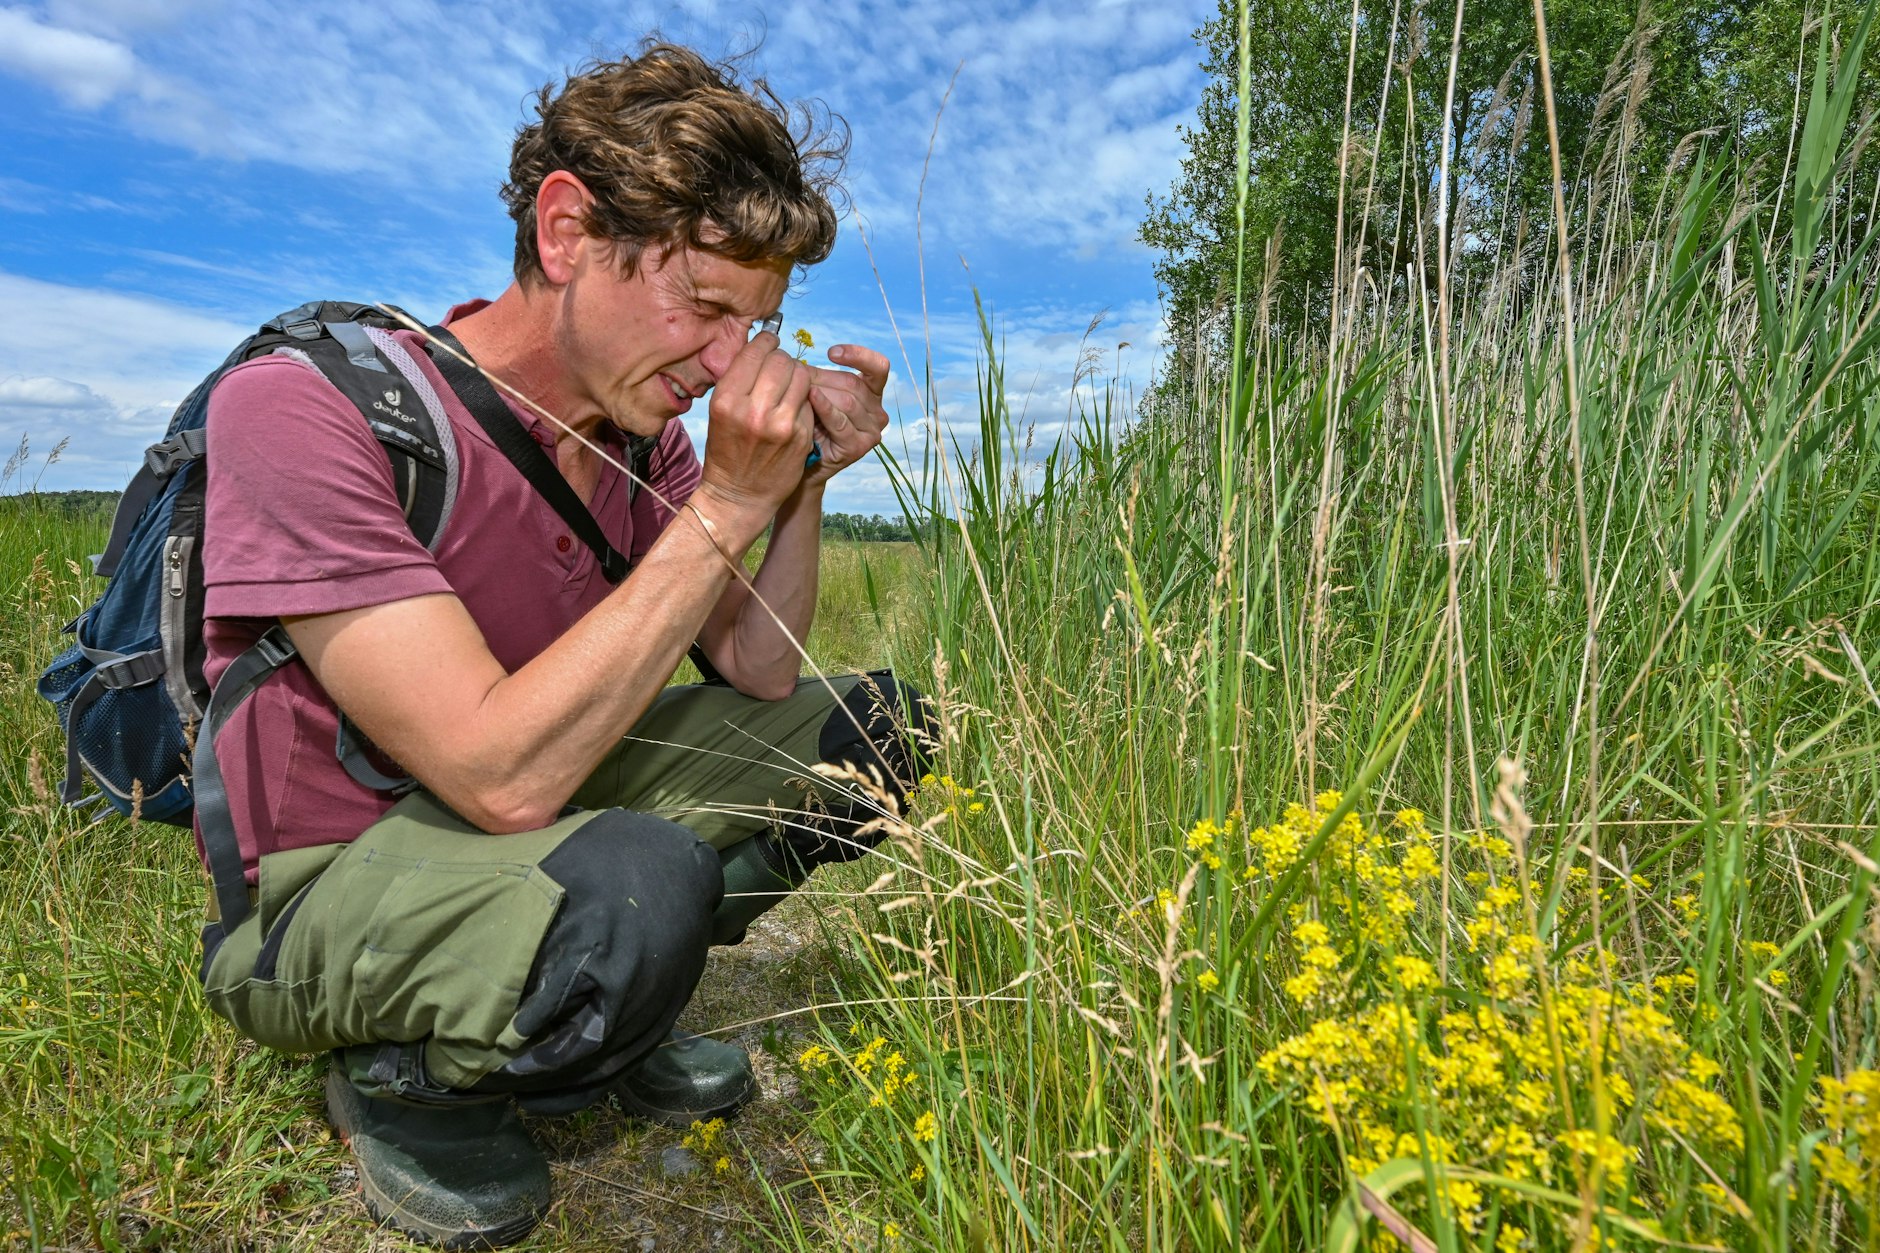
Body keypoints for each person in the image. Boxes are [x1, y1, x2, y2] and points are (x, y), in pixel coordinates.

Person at [191, 43, 932, 1248]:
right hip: (329, 892)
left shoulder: (642, 440)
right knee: (637, 881)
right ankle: (408, 1074)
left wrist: (797, 482)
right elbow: (500, 776)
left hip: (532, 816)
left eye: (754, 326)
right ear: (565, 231)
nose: (724, 363)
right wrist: (726, 506)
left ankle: (611, 997)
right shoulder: (306, 406)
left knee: (869, 735)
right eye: (705, 308)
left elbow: (760, 671)